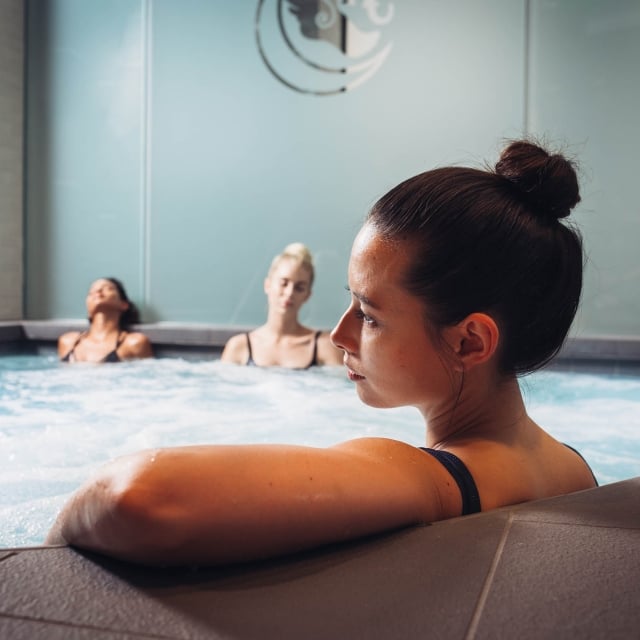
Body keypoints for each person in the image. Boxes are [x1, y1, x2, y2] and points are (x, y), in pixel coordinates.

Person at [46, 140, 597, 566]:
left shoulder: (438, 479)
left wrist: (54, 544)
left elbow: (133, 497)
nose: (339, 334)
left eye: (370, 315)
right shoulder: (575, 470)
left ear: (469, 341)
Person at [220, 242, 343, 367]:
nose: (289, 293)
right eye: (284, 283)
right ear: (267, 285)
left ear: (307, 295)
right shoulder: (239, 347)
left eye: (299, 288)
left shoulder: (324, 346)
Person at [58, 277, 153, 363]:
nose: (98, 291)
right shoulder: (68, 342)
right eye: (92, 291)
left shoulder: (134, 343)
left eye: (108, 288)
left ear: (124, 305)